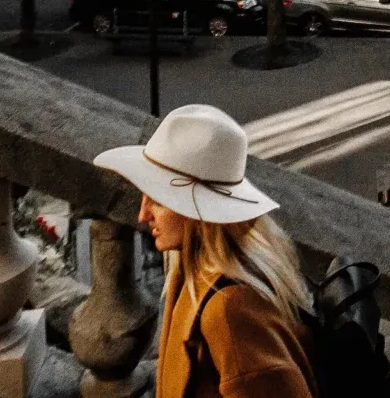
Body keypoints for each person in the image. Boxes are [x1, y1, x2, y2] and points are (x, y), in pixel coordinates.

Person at [96, 105, 317, 398]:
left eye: (158, 200)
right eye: (144, 196)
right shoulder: (192, 273)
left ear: (195, 213)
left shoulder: (227, 310)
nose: (142, 214)